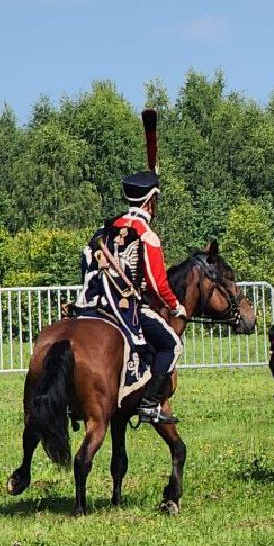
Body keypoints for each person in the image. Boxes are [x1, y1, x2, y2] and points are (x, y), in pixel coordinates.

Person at [75, 170, 187, 424]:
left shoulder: (103, 230)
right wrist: (175, 305)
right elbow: (159, 285)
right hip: (125, 307)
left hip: (92, 303)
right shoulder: (147, 235)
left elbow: (86, 261)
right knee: (171, 345)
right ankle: (149, 405)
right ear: (150, 201)